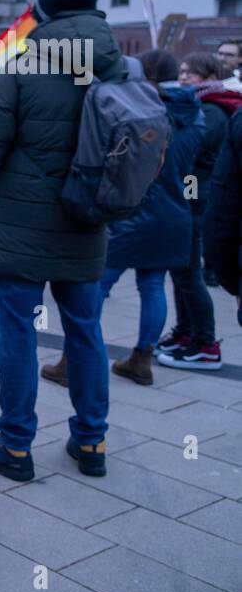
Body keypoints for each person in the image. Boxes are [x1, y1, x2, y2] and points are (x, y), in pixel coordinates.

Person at [0, 0, 126, 480]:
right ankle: (92, 440)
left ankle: (14, 446)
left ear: (42, 15)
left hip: (22, 227)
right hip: (88, 221)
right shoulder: (117, 70)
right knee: (86, 331)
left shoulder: (21, 69)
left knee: (18, 332)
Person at [95, 75, 203, 386]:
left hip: (136, 213)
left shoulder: (147, 121)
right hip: (174, 214)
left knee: (98, 285)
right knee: (153, 287)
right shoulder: (196, 120)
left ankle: (75, 356)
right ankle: (142, 359)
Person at [156, 52, 242, 370]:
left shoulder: (213, 110)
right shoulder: (201, 105)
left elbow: (193, 153)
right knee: (181, 270)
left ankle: (205, 342)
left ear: (209, 76)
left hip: (196, 195)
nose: (183, 77)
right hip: (190, 192)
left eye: (190, 73)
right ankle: (185, 333)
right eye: (181, 71)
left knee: (189, 272)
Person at [204, 108, 242, 327]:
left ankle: (201, 338)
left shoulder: (211, 114)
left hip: (192, 196)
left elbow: (224, 211)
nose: (184, 78)